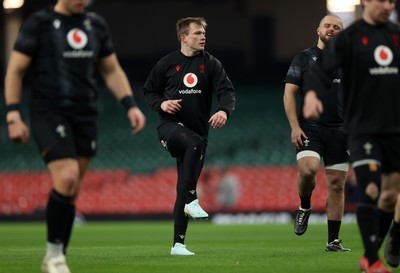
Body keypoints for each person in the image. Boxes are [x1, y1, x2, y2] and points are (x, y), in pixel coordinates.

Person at [4, 0, 146, 272]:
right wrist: (13, 113)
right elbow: (15, 70)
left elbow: (111, 69)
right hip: (49, 111)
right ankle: (55, 257)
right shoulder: (39, 24)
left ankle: (54, 257)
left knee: (72, 188)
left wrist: (130, 105)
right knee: (66, 177)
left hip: (86, 114)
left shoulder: (96, 25)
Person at [303, 0, 400, 272]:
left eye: (392, 1)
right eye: (382, 0)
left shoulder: (395, 35)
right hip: (362, 127)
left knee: (390, 195)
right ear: (366, 2)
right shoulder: (350, 38)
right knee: (370, 188)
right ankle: (371, 259)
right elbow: (320, 71)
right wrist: (310, 95)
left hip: (394, 127)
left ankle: (391, 236)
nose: (387, 6)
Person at [143, 17, 235, 256]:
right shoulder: (167, 63)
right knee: (192, 148)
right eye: (197, 33)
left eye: (204, 32)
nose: (203, 36)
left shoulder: (211, 63)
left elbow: (226, 91)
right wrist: (162, 104)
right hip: (169, 128)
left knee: (183, 187)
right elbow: (149, 92)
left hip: (199, 135)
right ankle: (193, 200)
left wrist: (224, 110)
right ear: (183, 37)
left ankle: (178, 245)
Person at [283, 14, 350, 252]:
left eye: (337, 28)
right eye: (328, 26)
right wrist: (295, 126)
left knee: (336, 184)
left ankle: (333, 240)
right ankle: (304, 205)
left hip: (341, 130)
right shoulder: (303, 58)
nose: (332, 30)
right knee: (309, 169)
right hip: (310, 127)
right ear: (318, 30)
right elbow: (289, 93)